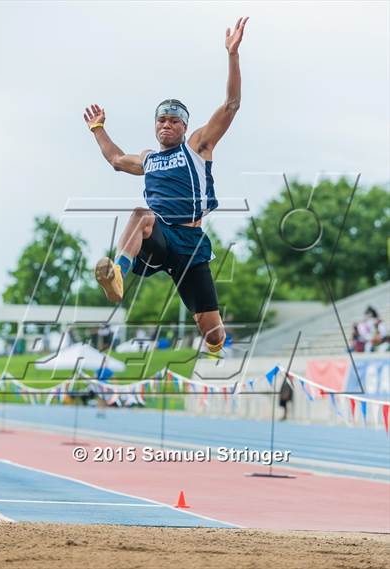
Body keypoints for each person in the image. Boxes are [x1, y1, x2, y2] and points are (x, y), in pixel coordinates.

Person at [84, 17, 249, 356]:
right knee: (141, 213)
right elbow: (116, 160)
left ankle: (217, 348)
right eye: (161, 120)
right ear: (155, 125)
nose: (167, 126)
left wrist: (232, 55)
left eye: (174, 121)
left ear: (185, 126)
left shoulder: (197, 146)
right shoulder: (148, 159)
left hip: (190, 243)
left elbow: (231, 105)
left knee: (212, 331)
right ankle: (117, 274)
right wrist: (98, 128)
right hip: (158, 237)